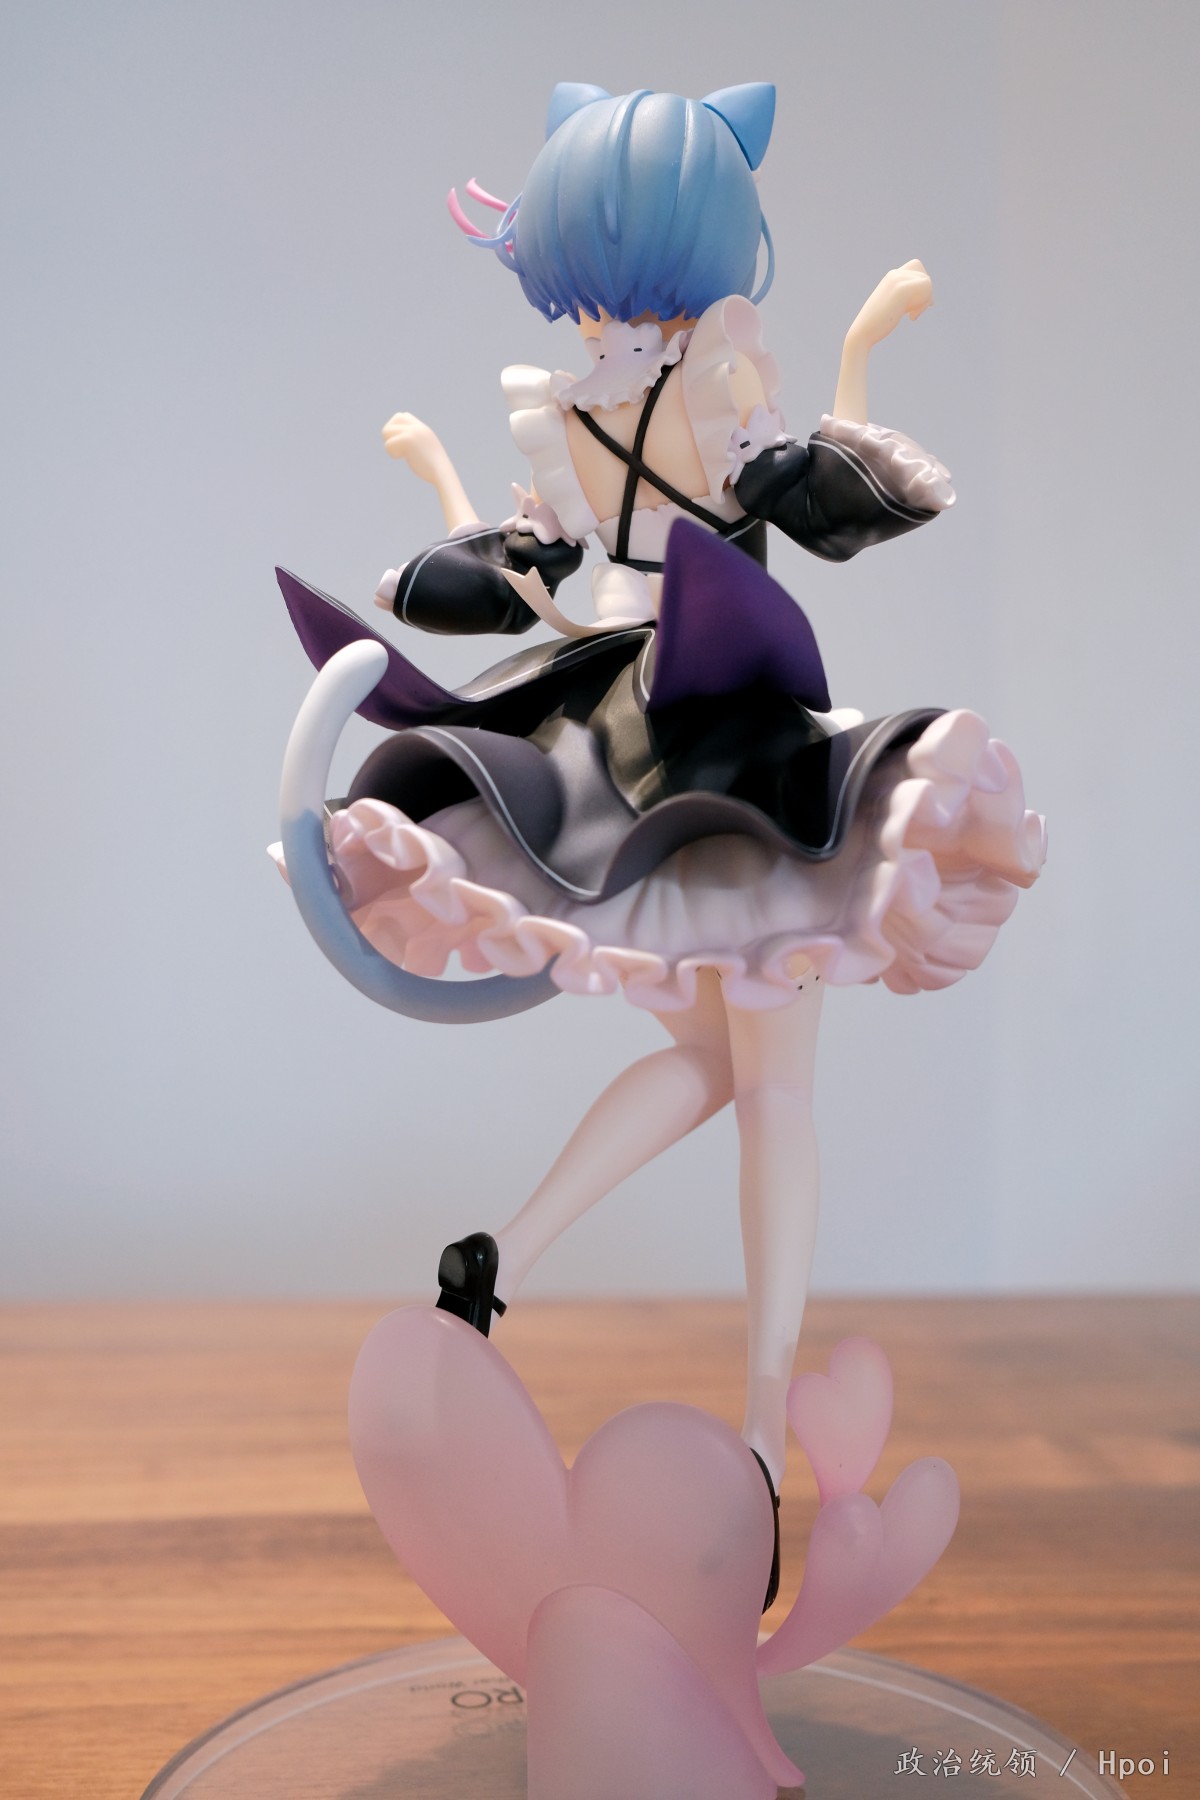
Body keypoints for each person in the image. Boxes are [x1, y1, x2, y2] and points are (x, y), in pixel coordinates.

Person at [276, 83, 1044, 1602]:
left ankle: (505, 1257)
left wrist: (454, 507)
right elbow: (806, 505)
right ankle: (758, 1444)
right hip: (739, 739)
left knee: (719, 1062)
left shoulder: (567, 412)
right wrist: (861, 352)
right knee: (777, 1092)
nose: (600, 316)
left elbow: (556, 578)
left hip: (626, 736)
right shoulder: (711, 382)